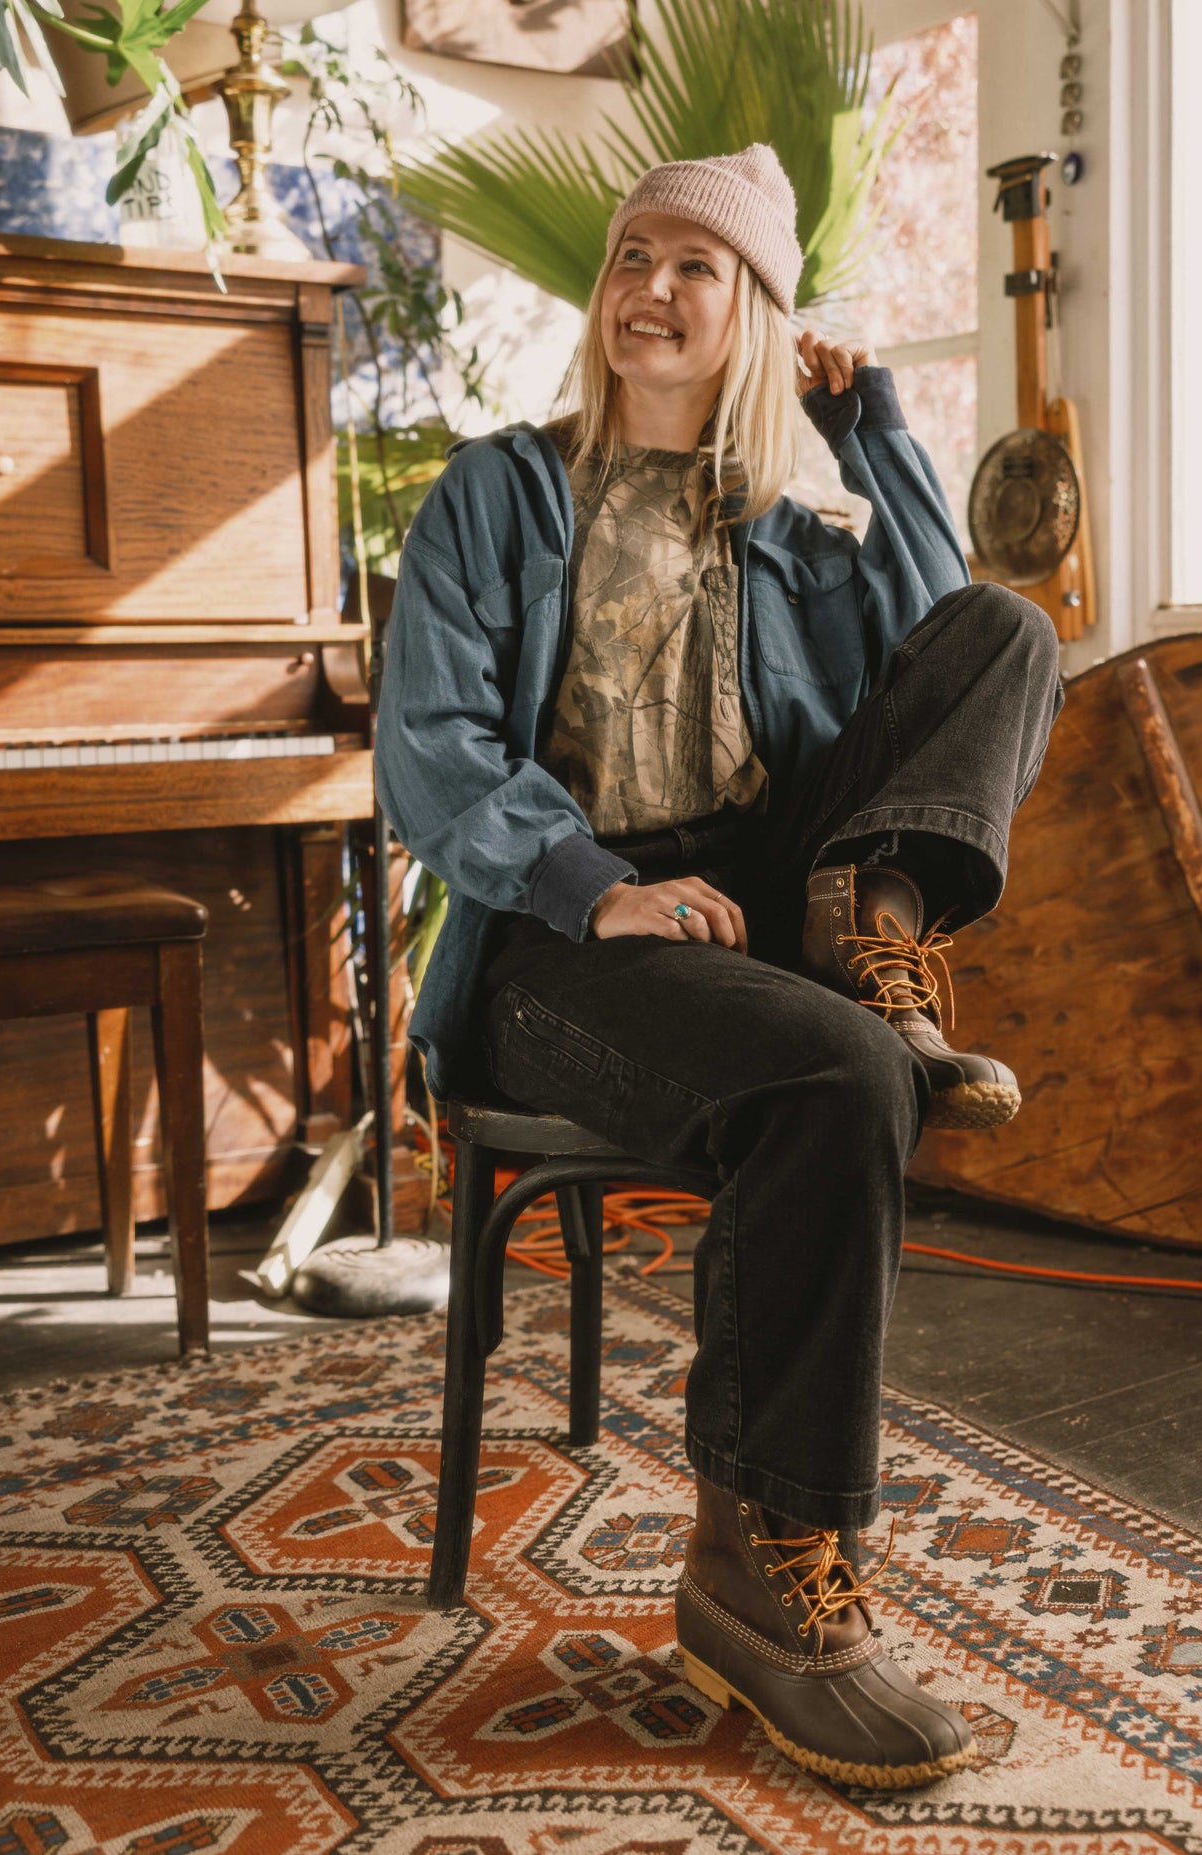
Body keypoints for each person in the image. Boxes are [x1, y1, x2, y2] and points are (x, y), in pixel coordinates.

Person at [377, 144, 1063, 1790]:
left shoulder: (803, 527)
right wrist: (588, 883)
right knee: (839, 1078)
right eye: (631, 258)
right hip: (560, 944)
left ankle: (871, 923)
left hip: (772, 905)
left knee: (1010, 632)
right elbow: (430, 748)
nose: (651, 290)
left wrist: (875, 429)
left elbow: (933, 638)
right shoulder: (501, 490)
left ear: (757, 312)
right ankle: (764, 1583)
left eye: (698, 266)